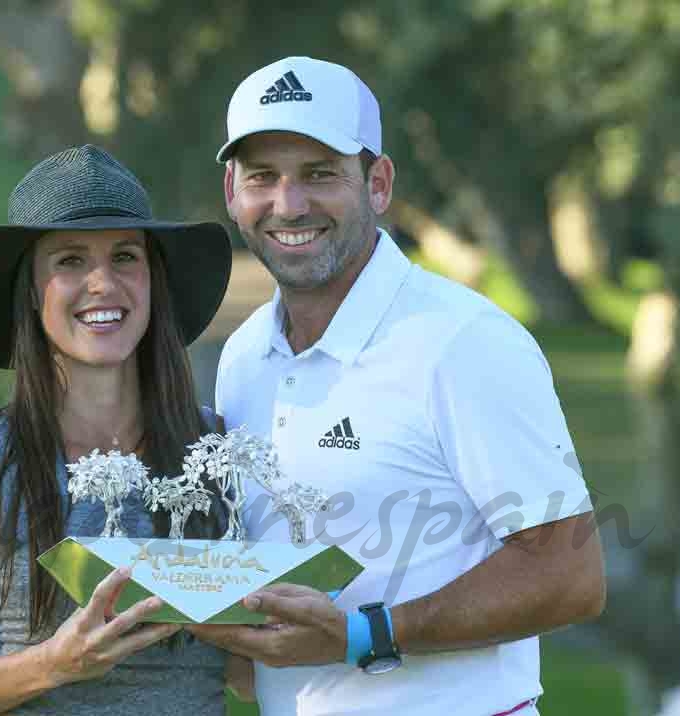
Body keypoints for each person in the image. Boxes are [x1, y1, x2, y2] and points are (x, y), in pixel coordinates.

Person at [187, 56, 607, 716]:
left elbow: (569, 576)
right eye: (263, 177)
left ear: (378, 184)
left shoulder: (463, 341)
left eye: (320, 174)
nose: (288, 204)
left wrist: (364, 636)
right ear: (232, 193)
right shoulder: (243, 356)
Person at [0, 145, 234, 715]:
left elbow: (248, 675)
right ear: (30, 289)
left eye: (125, 257)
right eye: (70, 261)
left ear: (153, 280)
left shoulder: (216, 456)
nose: (102, 283)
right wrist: (52, 663)